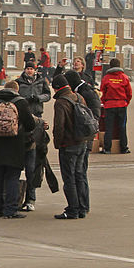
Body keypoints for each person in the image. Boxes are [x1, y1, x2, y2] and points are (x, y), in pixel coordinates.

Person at [0, 80, 36, 218]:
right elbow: (31, 125)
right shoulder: (21, 103)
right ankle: (10, 210)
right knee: (12, 177)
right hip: (14, 145)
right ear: (16, 90)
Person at [50, 73, 90, 220]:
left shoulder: (61, 102)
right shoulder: (79, 97)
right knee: (79, 175)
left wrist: (57, 143)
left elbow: (59, 126)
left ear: (56, 88)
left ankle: (72, 209)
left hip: (69, 144)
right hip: (82, 141)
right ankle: (82, 207)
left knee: (69, 178)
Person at [16, 61, 51, 211]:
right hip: (22, 119)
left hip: (37, 117)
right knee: (18, 164)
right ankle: (16, 196)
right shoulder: (18, 82)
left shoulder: (41, 81)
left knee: (33, 165)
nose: (29, 71)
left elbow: (48, 95)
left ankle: (31, 198)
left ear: (35, 70)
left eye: (31, 69)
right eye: (27, 68)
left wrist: (38, 98)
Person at [64, 68, 99, 216]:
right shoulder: (87, 90)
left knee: (80, 173)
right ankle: (82, 205)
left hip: (84, 137)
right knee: (80, 173)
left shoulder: (85, 93)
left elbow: (93, 117)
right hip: (86, 136)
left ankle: (82, 205)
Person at [99, 58, 132, 154]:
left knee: (109, 127)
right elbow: (129, 93)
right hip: (122, 104)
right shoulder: (124, 77)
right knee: (122, 127)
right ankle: (124, 148)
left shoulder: (106, 78)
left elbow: (102, 92)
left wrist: (104, 102)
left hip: (110, 105)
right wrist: (126, 102)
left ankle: (107, 148)